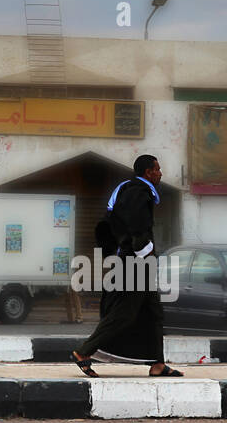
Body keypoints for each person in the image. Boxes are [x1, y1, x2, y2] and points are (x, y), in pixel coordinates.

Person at [71, 154, 183, 378]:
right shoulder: (138, 191)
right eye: (158, 169)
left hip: (136, 260)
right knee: (125, 312)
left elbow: (108, 224)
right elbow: (135, 223)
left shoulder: (128, 189)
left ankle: (157, 363)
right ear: (148, 172)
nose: (161, 173)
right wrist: (144, 249)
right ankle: (84, 352)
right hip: (135, 261)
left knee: (153, 312)